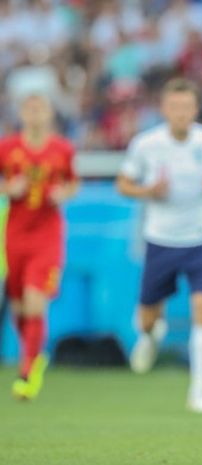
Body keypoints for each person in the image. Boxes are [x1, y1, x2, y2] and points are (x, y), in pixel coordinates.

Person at [116, 78, 202, 414]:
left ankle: (199, 392)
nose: (181, 113)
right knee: (147, 319)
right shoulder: (146, 144)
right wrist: (147, 191)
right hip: (160, 240)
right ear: (164, 109)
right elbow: (123, 183)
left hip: (201, 239)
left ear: (195, 109)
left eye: (187, 106)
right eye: (175, 106)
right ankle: (150, 336)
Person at [0, 94, 79, 400]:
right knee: (20, 307)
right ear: (21, 114)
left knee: (35, 299)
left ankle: (26, 371)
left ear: (48, 114)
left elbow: (73, 183)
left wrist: (64, 193)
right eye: (29, 110)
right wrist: (8, 188)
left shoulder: (62, 149)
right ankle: (35, 355)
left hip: (47, 235)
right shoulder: (8, 148)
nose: (34, 115)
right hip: (15, 234)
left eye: (40, 109)